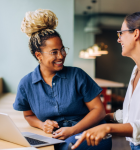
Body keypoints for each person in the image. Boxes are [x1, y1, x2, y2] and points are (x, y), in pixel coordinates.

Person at [13, 9, 112, 150]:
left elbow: (99, 110)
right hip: (58, 137)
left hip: (92, 133)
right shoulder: (26, 83)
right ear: (38, 55)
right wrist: (42, 124)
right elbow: (28, 115)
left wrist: (73, 130)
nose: (61, 56)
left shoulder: (77, 75)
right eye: (54, 52)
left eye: (62, 49)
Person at [72, 11, 140, 150]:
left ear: (136, 34)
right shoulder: (136, 69)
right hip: (136, 144)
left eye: (121, 33)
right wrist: (108, 116)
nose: (118, 39)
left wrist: (107, 128)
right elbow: (134, 112)